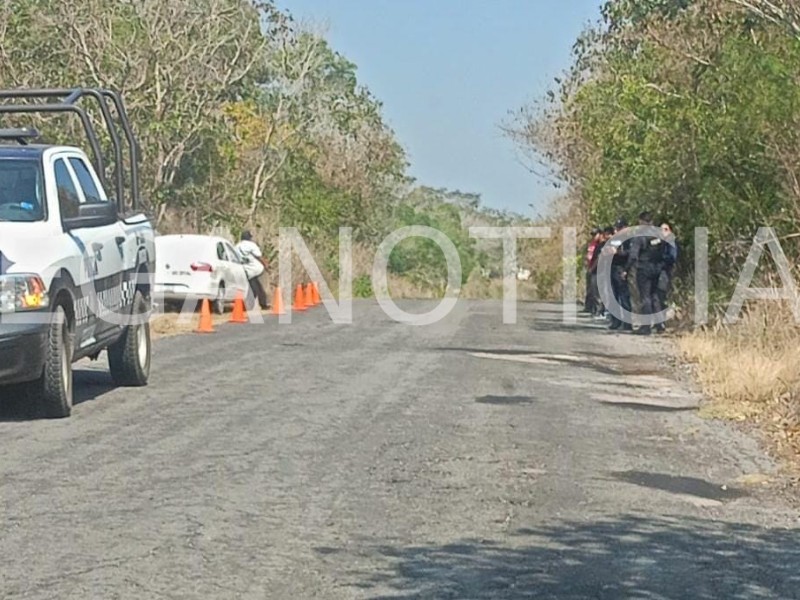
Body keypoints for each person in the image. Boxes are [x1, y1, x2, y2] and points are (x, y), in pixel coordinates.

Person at [626, 211, 664, 335]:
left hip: (644, 268)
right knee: (655, 296)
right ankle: (660, 325)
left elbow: (633, 255)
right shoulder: (658, 235)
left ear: (642, 222)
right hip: (657, 268)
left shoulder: (640, 235)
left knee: (645, 297)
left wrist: (626, 269)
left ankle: (646, 327)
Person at [603, 218, 632, 331]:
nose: (617, 230)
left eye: (619, 228)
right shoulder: (613, 239)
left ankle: (627, 323)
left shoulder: (629, 240)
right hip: (611, 268)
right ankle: (615, 321)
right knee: (612, 296)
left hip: (622, 268)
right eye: (616, 228)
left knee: (624, 296)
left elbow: (631, 253)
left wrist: (618, 253)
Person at [236, 230, 269, 310]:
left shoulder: (237, 246)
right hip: (254, 269)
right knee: (257, 287)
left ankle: (252, 304)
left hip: (243, 270)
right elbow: (259, 256)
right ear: (249, 238)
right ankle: (262, 303)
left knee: (252, 286)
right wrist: (266, 265)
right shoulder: (251, 245)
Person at [657, 220, 678, 330]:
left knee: (661, 296)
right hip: (656, 272)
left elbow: (672, 257)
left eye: (666, 229)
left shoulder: (671, 242)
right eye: (661, 230)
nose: (663, 232)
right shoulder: (658, 243)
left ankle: (661, 322)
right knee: (655, 297)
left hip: (665, 272)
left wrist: (661, 259)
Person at [583, 228, 602, 314]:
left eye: (595, 234)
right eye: (592, 235)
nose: (594, 236)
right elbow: (588, 256)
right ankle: (589, 307)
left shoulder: (600, 244)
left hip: (596, 269)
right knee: (590, 289)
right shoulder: (592, 244)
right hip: (590, 268)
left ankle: (597, 309)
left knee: (596, 290)